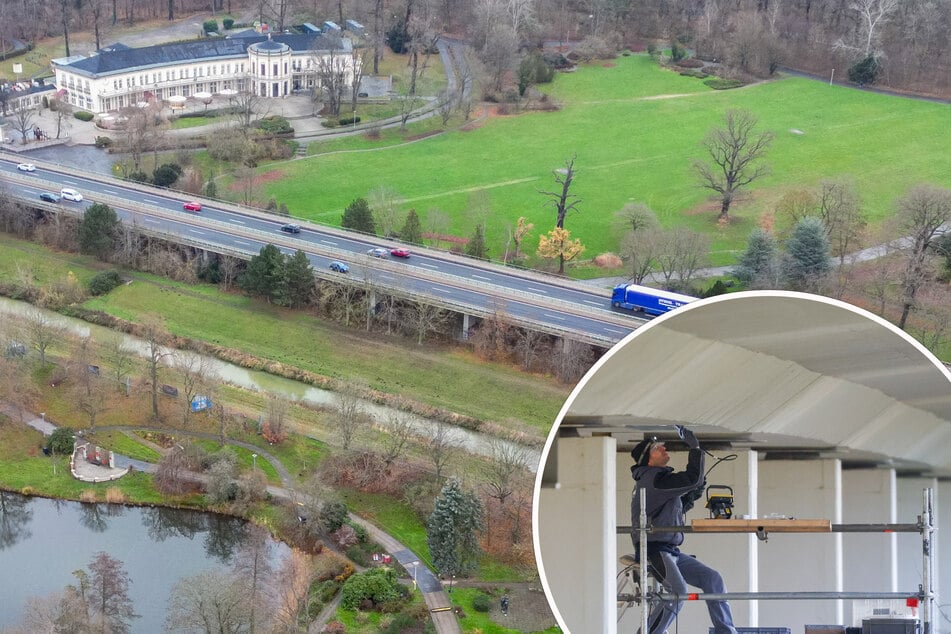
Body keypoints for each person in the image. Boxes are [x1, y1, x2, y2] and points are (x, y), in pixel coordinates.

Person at [629, 428, 737, 634]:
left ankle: (727, 632)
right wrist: (694, 448)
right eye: (656, 448)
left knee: (712, 579)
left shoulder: (656, 480)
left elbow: (673, 509)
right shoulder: (653, 479)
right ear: (648, 459)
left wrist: (692, 495)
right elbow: (691, 478)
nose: (663, 448)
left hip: (670, 550)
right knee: (678, 592)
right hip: (654, 550)